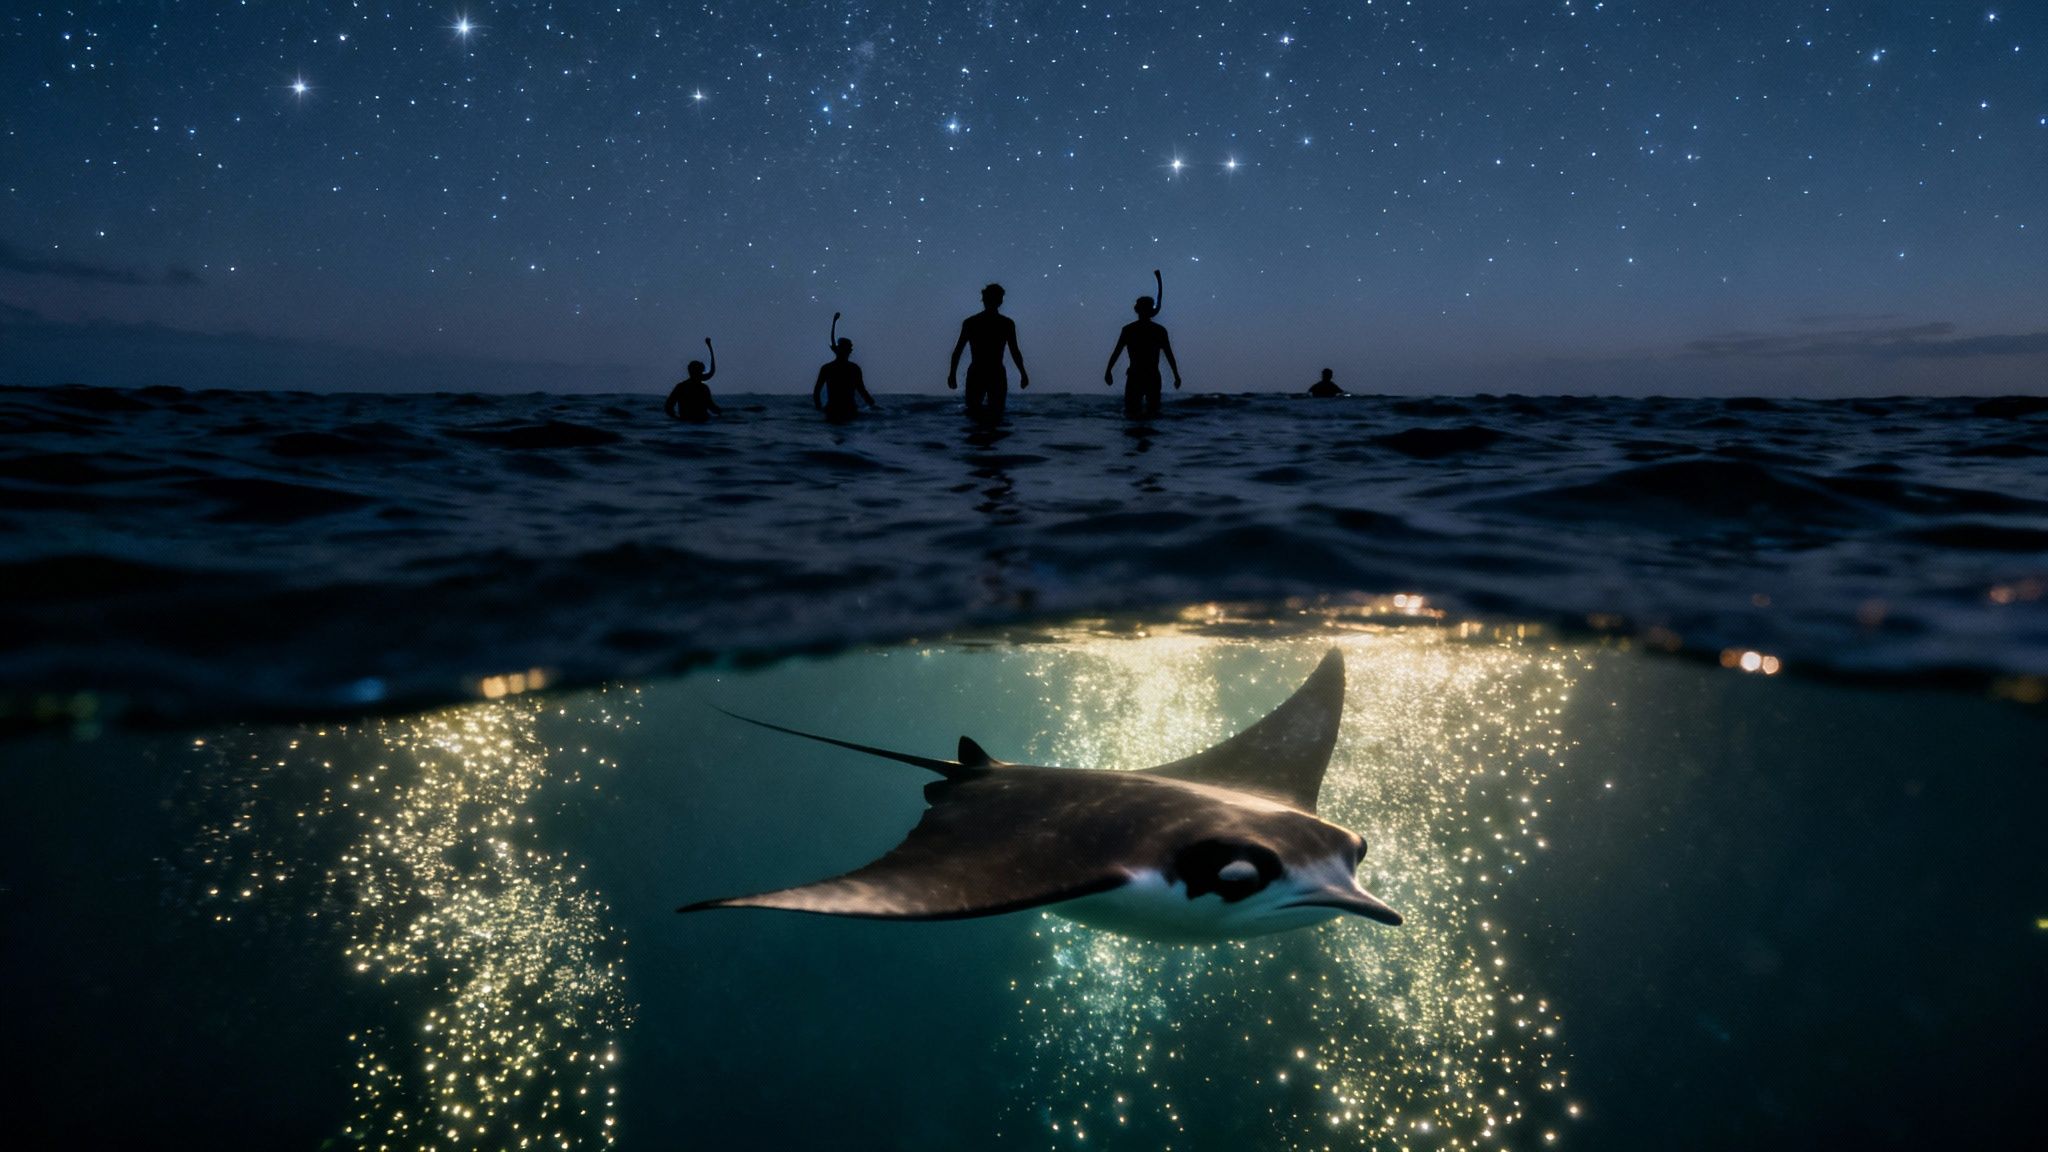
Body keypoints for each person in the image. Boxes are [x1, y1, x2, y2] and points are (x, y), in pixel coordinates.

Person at [948, 283, 1029, 419]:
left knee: (974, 414)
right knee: (995, 414)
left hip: (980, 372)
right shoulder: (1005, 324)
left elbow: (958, 351)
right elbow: (1015, 351)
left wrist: (952, 374)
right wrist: (1023, 373)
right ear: (1000, 301)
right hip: (993, 373)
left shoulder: (972, 323)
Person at [1103, 294, 1181, 418]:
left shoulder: (1130, 330)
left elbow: (1169, 354)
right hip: (1147, 376)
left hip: (1138, 376)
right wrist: (1176, 375)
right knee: (1152, 412)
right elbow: (1169, 355)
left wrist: (1108, 371)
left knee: (1133, 413)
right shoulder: (1157, 330)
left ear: (1137, 310)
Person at [813, 337, 876, 423]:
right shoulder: (853, 368)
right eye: (848, 348)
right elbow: (862, 391)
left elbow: (817, 391)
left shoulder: (828, 368)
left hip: (834, 411)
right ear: (849, 351)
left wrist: (819, 408)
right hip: (846, 410)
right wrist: (873, 405)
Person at [665, 338, 722, 421]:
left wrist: (677, 419)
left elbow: (668, 407)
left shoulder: (681, 387)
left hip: (685, 422)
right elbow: (712, 408)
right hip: (702, 422)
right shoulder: (703, 388)